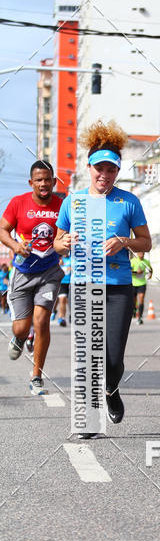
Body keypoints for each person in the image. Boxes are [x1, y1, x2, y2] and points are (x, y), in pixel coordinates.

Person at [54, 120, 151, 436]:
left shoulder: (129, 202)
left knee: (112, 357)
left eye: (111, 170)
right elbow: (57, 242)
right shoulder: (73, 202)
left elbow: (146, 243)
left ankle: (111, 389)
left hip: (119, 287)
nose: (104, 175)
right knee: (87, 357)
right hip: (84, 284)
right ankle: (89, 419)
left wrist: (123, 241)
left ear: (117, 171)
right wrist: (65, 242)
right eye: (99, 169)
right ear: (89, 168)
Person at [0, 160, 64, 395]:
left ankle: (36, 376)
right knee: (21, 328)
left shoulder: (62, 205)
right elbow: (2, 229)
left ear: (54, 181)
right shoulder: (18, 203)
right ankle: (19, 338)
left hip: (49, 272)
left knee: (41, 321)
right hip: (23, 272)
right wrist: (15, 245)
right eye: (39, 180)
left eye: (47, 179)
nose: (43, 183)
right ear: (31, 182)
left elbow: (70, 231)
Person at [130, 252, 153, 324]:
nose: (141, 254)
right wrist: (136, 272)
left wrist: (150, 275)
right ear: (137, 254)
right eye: (140, 253)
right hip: (133, 283)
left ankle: (140, 317)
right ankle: (134, 310)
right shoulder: (133, 261)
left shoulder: (146, 261)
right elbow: (129, 271)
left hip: (142, 283)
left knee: (141, 299)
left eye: (143, 253)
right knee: (133, 301)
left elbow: (150, 269)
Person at [55, 255, 71, 326]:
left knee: (70, 301)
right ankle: (61, 318)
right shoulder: (58, 259)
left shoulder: (73, 258)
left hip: (71, 283)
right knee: (62, 299)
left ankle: (71, 314)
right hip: (62, 283)